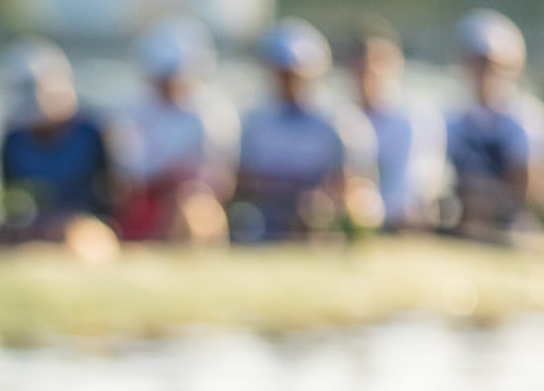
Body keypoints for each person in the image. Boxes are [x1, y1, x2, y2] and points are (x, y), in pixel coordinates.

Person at [233, 18, 376, 241]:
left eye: (294, 74)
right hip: (268, 209)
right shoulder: (256, 120)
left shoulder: (341, 120)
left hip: (323, 210)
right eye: (282, 72)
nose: (288, 81)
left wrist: (318, 195)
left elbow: (355, 180)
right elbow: (242, 179)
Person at [111, 16, 236, 245]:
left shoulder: (214, 113)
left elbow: (220, 180)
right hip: (147, 201)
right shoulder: (132, 112)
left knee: (191, 208)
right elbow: (129, 173)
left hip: (196, 204)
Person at [0, 38, 116, 250]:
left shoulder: (92, 132)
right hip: (32, 226)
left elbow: (113, 197)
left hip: (84, 225)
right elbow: (11, 198)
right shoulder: (13, 139)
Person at [444, 9, 544, 239]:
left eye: (490, 63)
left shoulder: (530, 119)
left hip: (514, 229)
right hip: (466, 226)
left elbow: (535, 195)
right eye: (476, 61)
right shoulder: (452, 117)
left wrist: (478, 195)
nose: (483, 72)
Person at [343, 19, 446, 233]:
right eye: (360, 65)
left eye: (376, 63)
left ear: (394, 63)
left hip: (402, 225)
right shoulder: (341, 118)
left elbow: (410, 188)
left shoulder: (416, 118)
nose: (368, 73)